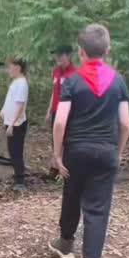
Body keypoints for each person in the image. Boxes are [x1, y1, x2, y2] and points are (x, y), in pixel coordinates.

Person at [49, 24, 129, 258]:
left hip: (77, 151)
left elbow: (60, 121)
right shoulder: (118, 81)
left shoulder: (71, 81)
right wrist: (117, 152)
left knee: (71, 194)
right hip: (106, 151)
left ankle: (65, 242)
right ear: (107, 51)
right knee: (97, 209)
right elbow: (125, 123)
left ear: (81, 53)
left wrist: (58, 154)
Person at [0, 56, 29, 192]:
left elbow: (20, 105)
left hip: (17, 124)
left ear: (18, 68)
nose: (8, 70)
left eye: (10, 67)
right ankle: (17, 176)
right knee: (11, 151)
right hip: (11, 122)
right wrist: (3, 111)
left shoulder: (22, 83)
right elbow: (9, 100)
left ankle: (20, 181)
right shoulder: (15, 82)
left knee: (16, 152)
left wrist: (12, 124)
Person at [46, 45, 77, 178]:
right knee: (55, 139)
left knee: (67, 141)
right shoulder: (56, 72)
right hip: (55, 111)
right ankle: (55, 168)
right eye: (56, 55)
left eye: (61, 55)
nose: (57, 57)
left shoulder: (74, 73)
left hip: (68, 114)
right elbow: (54, 92)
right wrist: (49, 111)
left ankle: (66, 170)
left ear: (69, 56)